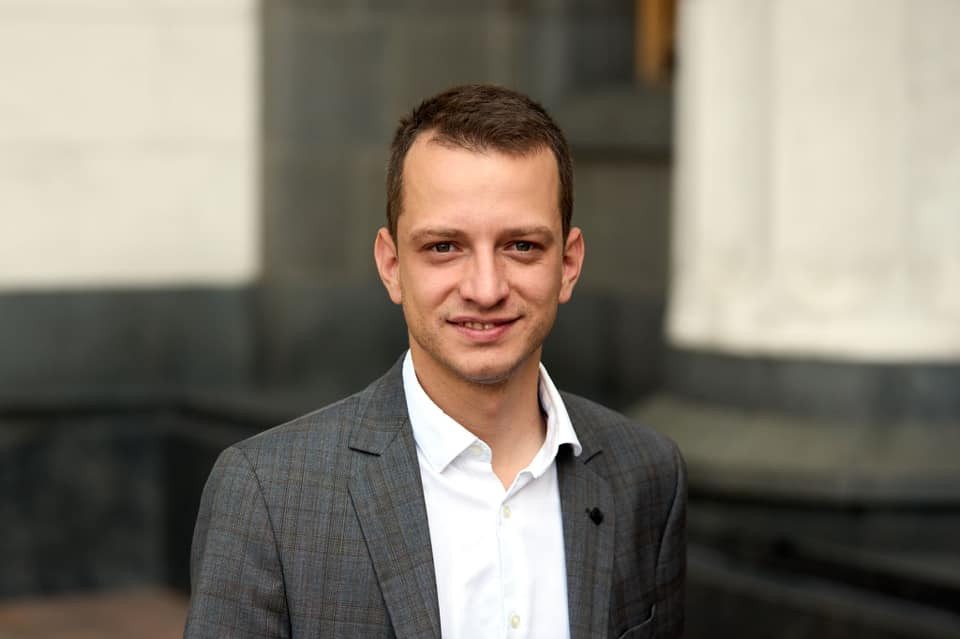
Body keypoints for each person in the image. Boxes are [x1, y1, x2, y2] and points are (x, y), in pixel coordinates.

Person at [184, 84, 685, 639]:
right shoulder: (268, 494)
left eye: (521, 245)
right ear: (392, 266)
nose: (486, 289)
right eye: (444, 247)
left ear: (568, 264)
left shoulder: (646, 476)